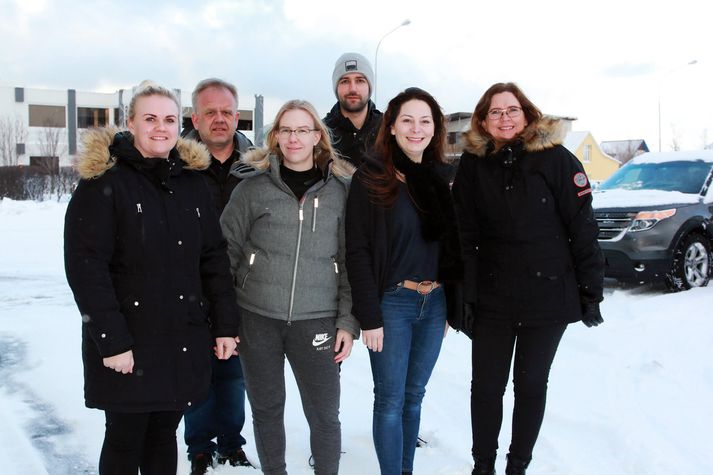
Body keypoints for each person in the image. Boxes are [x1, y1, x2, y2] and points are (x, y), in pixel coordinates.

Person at [64, 80, 240, 475]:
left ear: (180, 125)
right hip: (128, 342)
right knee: (125, 437)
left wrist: (225, 326)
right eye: (150, 118)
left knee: (164, 434)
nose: (161, 127)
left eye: (169, 119)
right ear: (130, 122)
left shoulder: (192, 182)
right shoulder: (104, 182)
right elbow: (86, 268)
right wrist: (111, 341)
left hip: (182, 338)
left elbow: (213, 260)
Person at [451, 82, 605, 475]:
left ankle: (518, 465)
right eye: (495, 112)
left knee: (531, 385)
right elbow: (463, 233)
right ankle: (482, 465)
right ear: (483, 121)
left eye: (512, 110)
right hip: (492, 295)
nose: (504, 118)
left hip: (547, 295)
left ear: (527, 114)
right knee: (486, 387)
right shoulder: (472, 163)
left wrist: (590, 291)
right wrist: (464, 294)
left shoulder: (557, 160)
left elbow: (582, 229)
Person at [220, 99, 360, 475]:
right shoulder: (252, 187)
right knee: (266, 410)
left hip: (318, 320)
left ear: (317, 136)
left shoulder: (342, 191)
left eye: (302, 130)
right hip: (256, 317)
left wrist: (347, 322)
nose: (294, 138)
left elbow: (352, 261)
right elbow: (226, 252)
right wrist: (223, 320)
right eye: (286, 130)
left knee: (325, 415)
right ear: (275, 136)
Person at [345, 87, 462, 475]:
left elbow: (452, 245)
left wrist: (452, 304)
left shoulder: (442, 178)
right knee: (391, 399)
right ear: (391, 126)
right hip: (392, 304)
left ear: (435, 129)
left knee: (415, 396)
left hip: (436, 303)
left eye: (425, 121)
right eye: (407, 120)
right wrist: (369, 315)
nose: (417, 129)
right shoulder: (371, 178)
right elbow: (357, 250)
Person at [182, 78, 253, 474]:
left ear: (237, 115)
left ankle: (231, 442)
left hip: (241, 286)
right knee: (199, 371)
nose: (220, 119)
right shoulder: (177, 164)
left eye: (227, 111)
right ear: (196, 118)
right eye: (210, 112)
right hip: (190, 285)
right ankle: (199, 446)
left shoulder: (256, 163)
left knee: (234, 372)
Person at [323, 52, 383, 167]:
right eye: (345, 81)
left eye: (360, 80)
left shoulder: (388, 129)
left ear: (369, 86)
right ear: (336, 87)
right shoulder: (321, 133)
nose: (353, 89)